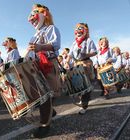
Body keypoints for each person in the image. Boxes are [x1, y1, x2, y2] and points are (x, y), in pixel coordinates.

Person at [27, 3, 61, 138]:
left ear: (43, 14)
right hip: (37, 66)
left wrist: (40, 47)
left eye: (34, 15)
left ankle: (45, 126)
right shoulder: (34, 35)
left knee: (48, 95)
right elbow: (31, 52)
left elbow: (56, 45)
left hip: (48, 64)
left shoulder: (51, 28)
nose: (31, 19)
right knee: (43, 96)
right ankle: (49, 113)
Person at [66, 23, 97, 114]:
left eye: (80, 28)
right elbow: (70, 54)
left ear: (85, 30)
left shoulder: (88, 40)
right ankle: (83, 99)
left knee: (85, 84)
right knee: (78, 83)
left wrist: (86, 54)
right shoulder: (74, 43)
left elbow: (95, 52)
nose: (77, 30)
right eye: (76, 29)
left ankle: (84, 106)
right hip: (77, 64)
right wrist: (67, 63)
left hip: (86, 63)